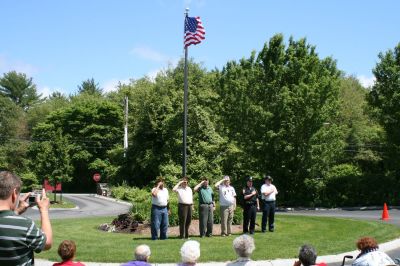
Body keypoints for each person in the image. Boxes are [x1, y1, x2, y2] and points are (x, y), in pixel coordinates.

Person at [0, 171, 53, 266]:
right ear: (14, 193)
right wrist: (44, 210)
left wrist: (17, 211)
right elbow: (47, 243)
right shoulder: (25, 225)